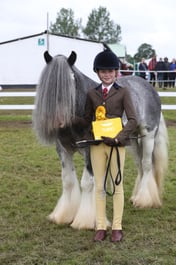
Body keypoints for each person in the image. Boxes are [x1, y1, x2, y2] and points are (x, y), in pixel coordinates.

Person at [74, 49, 137, 242]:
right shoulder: (91, 93)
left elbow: (133, 120)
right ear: (97, 72)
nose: (106, 74)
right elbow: (86, 119)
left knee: (117, 186)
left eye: (110, 71)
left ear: (116, 72)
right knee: (99, 186)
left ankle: (117, 226)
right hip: (97, 144)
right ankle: (101, 226)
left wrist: (120, 138)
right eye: (102, 71)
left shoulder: (123, 92)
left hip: (116, 145)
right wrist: (69, 120)